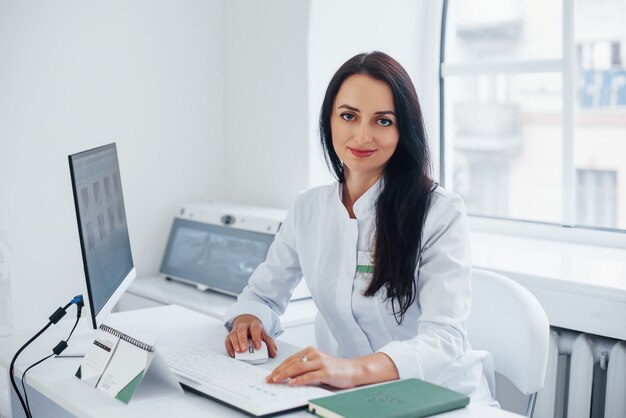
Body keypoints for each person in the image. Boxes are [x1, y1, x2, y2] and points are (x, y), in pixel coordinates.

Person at [224, 51, 496, 403]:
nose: (362, 135)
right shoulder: (308, 209)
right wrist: (249, 321)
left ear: (403, 130)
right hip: (358, 397)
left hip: (439, 397)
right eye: (349, 116)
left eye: (383, 121)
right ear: (330, 121)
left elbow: (445, 339)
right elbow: (261, 294)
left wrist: (349, 370)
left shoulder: (440, 212)